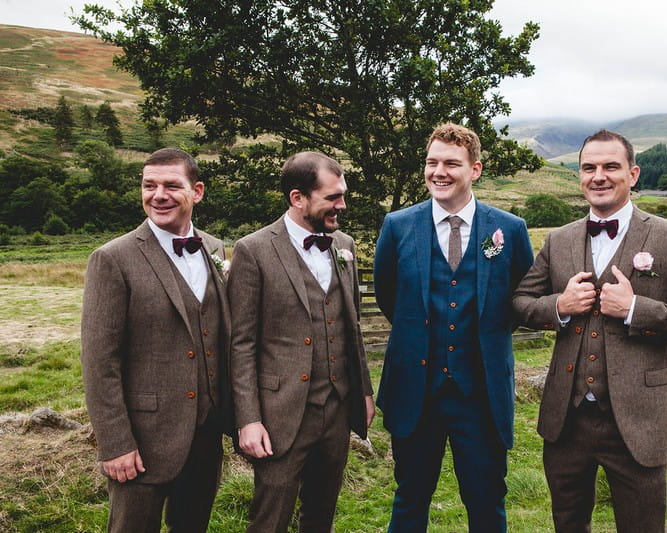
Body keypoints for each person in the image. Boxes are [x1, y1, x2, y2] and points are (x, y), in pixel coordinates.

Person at [512, 129, 667, 532]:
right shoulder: (558, 240)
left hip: (639, 419)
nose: (599, 176)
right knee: (568, 524)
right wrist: (558, 305)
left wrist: (636, 309)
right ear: (578, 176)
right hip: (567, 420)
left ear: (633, 174)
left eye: (611, 166)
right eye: (588, 167)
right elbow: (521, 304)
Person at [373, 122, 534, 532]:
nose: (438, 172)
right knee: (410, 497)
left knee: (486, 501)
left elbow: (519, 300)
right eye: (431, 162)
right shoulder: (397, 225)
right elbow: (389, 297)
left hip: (480, 393)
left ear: (475, 170)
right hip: (416, 391)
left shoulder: (509, 230)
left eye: (450, 163)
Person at [81, 148, 232, 532]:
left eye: (171, 185)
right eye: (149, 186)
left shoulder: (214, 249)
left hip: (206, 434)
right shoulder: (112, 258)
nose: (158, 195)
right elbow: (100, 363)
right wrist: (115, 444)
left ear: (197, 191)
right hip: (142, 440)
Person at [227, 151, 375, 532]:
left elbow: (351, 324)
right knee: (270, 519)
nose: (341, 205)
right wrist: (248, 419)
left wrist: (364, 393)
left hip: (338, 410)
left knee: (321, 515)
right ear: (298, 198)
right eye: (332, 198)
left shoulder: (344, 244)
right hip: (280, 413)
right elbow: (241, 343)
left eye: (342, 194)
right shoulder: (254, 250)